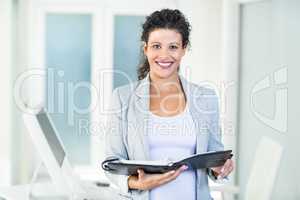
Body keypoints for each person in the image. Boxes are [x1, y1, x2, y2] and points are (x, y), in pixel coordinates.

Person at [105, 8, 234, 200]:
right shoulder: (123, 98)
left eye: (173, 47)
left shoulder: (206, 98)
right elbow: (111, 163)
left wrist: (220, 168)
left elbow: (214, 159)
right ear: (145, 48)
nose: (164, 55)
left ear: (184, 49)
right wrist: (137, 183)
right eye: (156, 46)